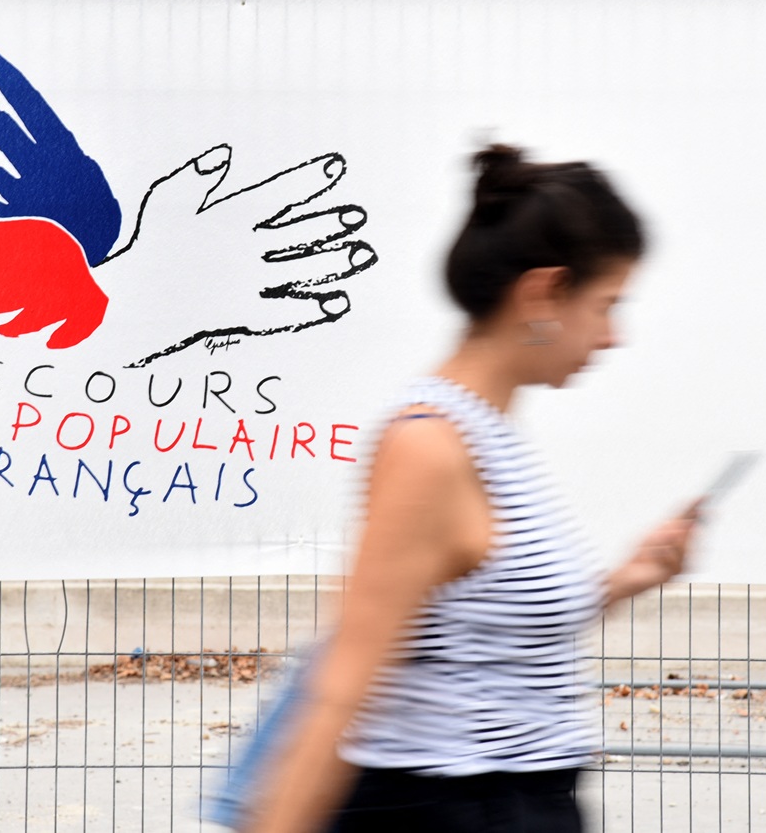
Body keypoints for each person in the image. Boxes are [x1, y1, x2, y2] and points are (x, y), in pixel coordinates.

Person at [242, 143, 701, 832]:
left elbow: (485, 634)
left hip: (512, 801)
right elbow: (344, 684)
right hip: (456, 808)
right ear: (543, 294)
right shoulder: (429, 447)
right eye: (606, 304)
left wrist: (626, 579)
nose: (614, 336)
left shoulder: (491, 434)